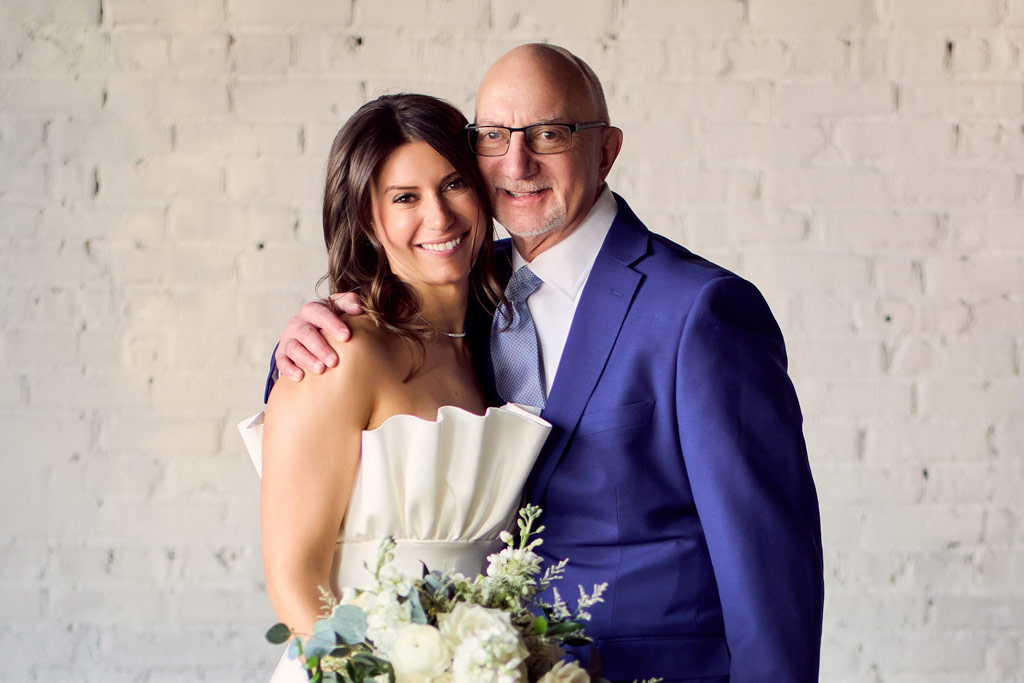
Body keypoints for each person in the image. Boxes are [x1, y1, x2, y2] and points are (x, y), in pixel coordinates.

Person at [270, 44, 824, 682]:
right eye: (494, 136)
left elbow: (770, 576)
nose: (517, 162)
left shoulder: (700, 312)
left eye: (550, 134)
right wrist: (303, 339)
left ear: (607, 150)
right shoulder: (460, 295)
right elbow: (355, 421)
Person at [253, 93, 551, 682]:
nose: (438, 219)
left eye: (453, 185)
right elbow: (293, 580)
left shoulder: (496, 348)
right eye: (405, 198)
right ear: (369, 219)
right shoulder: (342, 355)